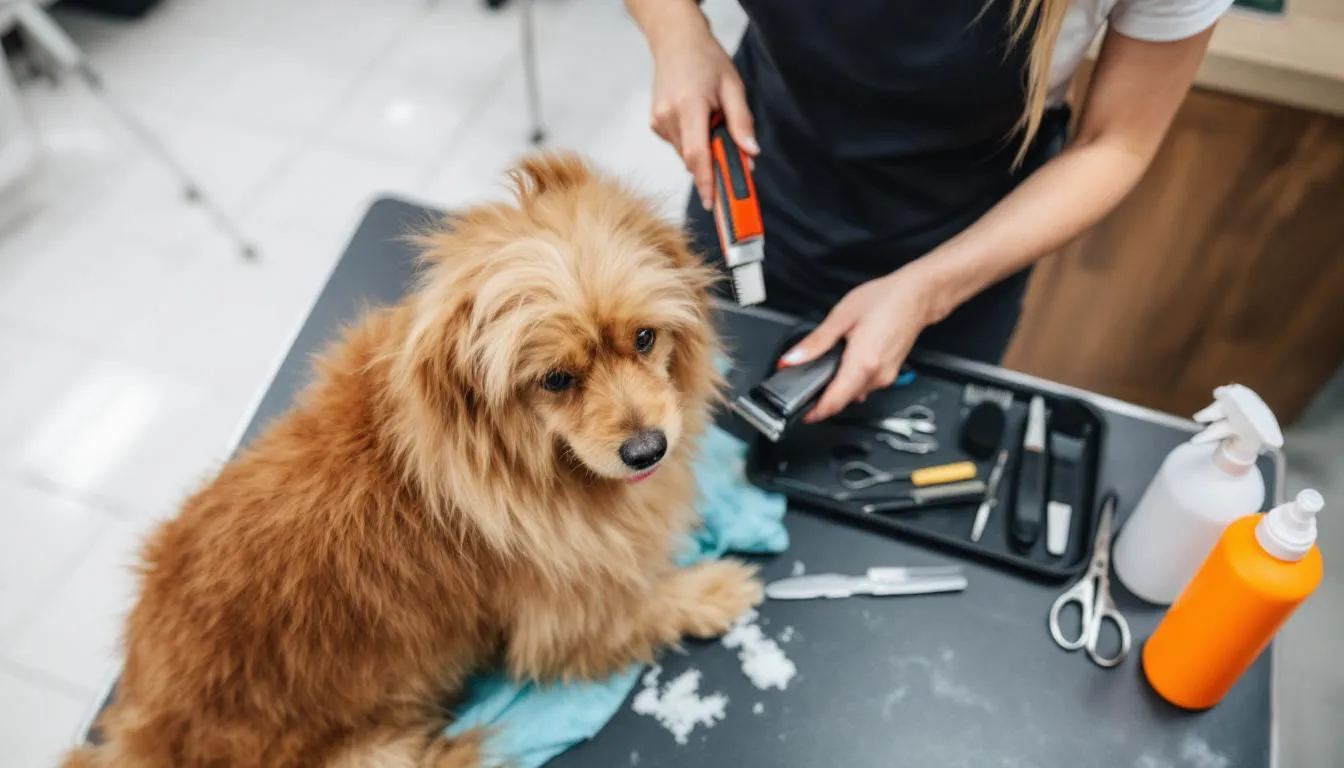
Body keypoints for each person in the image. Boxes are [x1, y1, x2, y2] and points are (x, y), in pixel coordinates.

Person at [624, 0, 1233, 422]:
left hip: (961, 243)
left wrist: (930, 290)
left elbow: (1116, 143)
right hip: (753, 185)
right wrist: (675, 30)